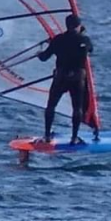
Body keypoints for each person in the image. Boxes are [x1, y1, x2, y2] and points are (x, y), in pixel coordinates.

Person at [38, 13, 93, 145]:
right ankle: (74, 138)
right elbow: (90, 49)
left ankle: (47, 136)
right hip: (77, 78)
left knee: (51, 106)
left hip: (60, 77)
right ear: (79, 26)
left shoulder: (58, 40)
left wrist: (39, 53)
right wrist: (81, 34)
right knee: (77, 108)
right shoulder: (84, 40)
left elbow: (44, 57)